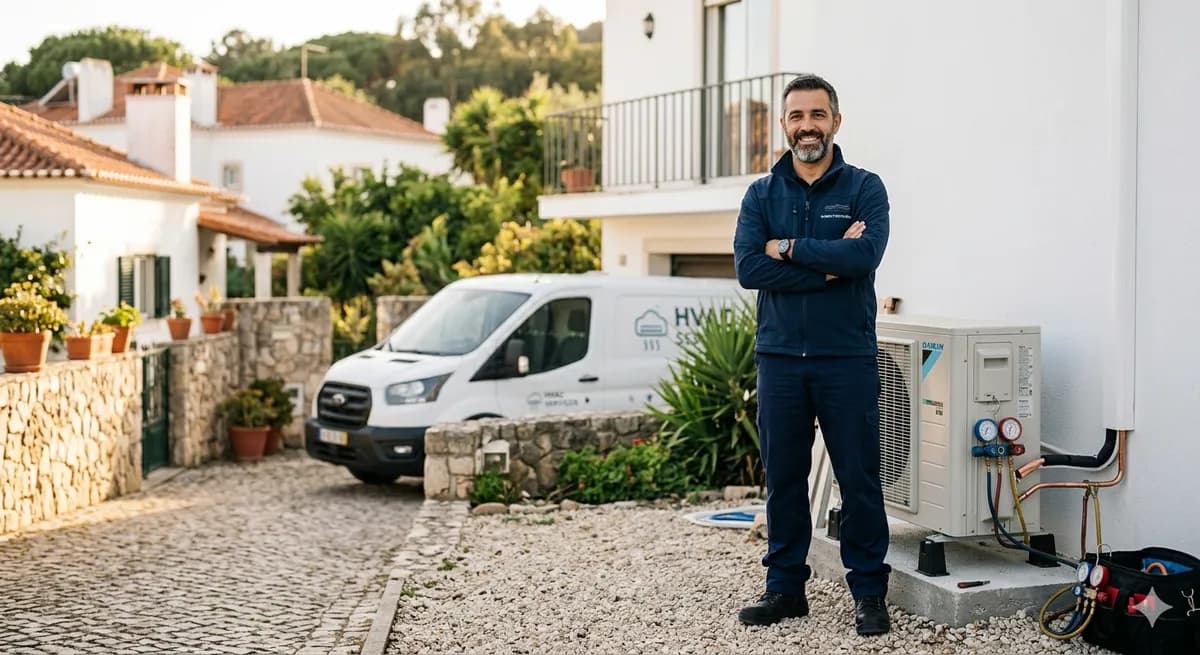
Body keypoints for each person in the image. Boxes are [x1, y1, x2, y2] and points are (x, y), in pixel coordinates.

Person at [732, 73, 892, 636]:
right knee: (784, 478)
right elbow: (750, 268)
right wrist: (827, 267)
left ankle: (870, 593)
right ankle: (785, 590)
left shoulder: (865, 188)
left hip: (845, 358)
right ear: (784, 125)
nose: (807, 127)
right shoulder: (761, 194)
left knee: (860, 479)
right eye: (797, 116)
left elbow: (865, 255)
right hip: (779, 359)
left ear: (836, 122)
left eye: (817, 115)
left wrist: (792, 249)